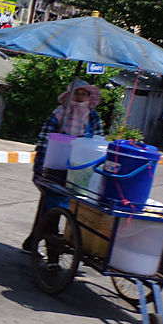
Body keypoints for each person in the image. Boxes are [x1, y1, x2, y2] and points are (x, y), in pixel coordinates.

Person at [21, 80, 104, 251]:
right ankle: (51, 249)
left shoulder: (93, 117)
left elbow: (98, 143)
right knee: (53, 206)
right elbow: (44, 140)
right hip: (55, 167)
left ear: (89, 96)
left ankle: (33, 241)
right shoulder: (59, 113)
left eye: (84, 93)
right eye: (77, 93)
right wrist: (40, 168)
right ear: (70, 94)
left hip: (80, 170)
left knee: (65, 208)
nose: (80, 97)